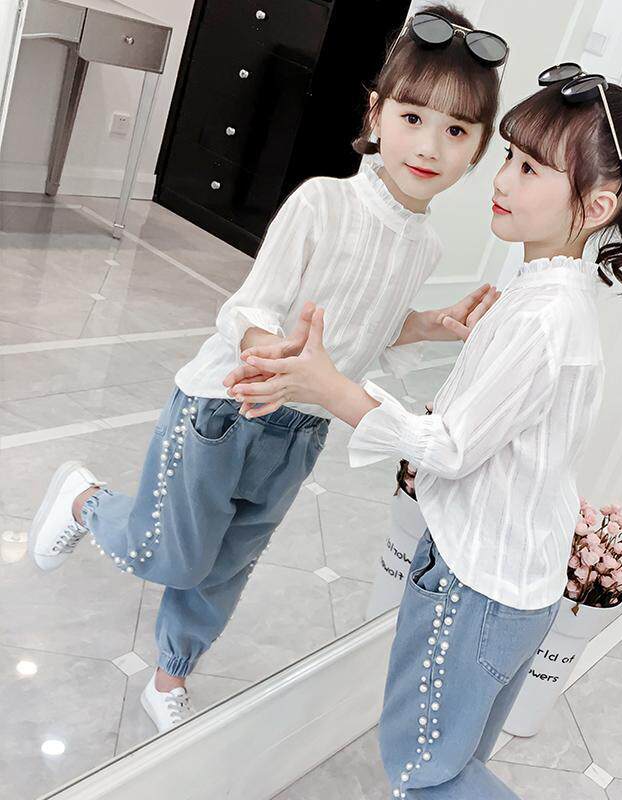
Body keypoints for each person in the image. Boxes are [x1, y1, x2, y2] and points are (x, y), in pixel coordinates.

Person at [27, 4, 507, 734]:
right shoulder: (323, 204)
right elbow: (250, 306)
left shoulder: (425, 247)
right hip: (224, 409)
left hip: (301, 433)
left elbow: (366, 334)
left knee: (227, 568)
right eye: (413, 117)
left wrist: (429, 324)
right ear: (377, 114)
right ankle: (83, 500)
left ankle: (170, 673)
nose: (429, 145)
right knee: (170, 554)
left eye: (457, 131)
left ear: (476, 150)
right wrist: (266, 350)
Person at [229, 64, 622, 798]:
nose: (502, 179)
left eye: (531, 168)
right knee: (453, 760)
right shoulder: (545, 301)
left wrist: (331, 388)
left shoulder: (542, 318)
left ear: (598, 205)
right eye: (509, 156)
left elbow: (449, 448)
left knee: (425, 774)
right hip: (512, 584)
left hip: (477, 586)